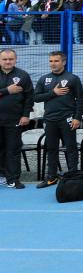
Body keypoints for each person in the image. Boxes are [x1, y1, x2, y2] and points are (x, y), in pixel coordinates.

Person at [34, 51, 83, 188]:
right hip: (50, 119)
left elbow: (80, 99)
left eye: (56, 61)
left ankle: (73, 175)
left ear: (63, 62)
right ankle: (51, 177)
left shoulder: (72, 78)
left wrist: (77, 117)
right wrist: (53, 93)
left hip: (67, 119)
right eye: (51, 61)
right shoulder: (44, 79)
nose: (53, 64)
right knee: (51, 148)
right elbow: (36, 97)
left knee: (71, 148)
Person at [0, 49, 34, 189]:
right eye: (4, 59)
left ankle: (13, 178)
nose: (8, 62)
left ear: (16, 59)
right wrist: (7, 91)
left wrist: (26, 115)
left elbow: (29, 97)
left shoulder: (23, 75)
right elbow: (7, 91)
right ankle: (1, 176)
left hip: (14, 119)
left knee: (13, 149)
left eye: (11, 59)